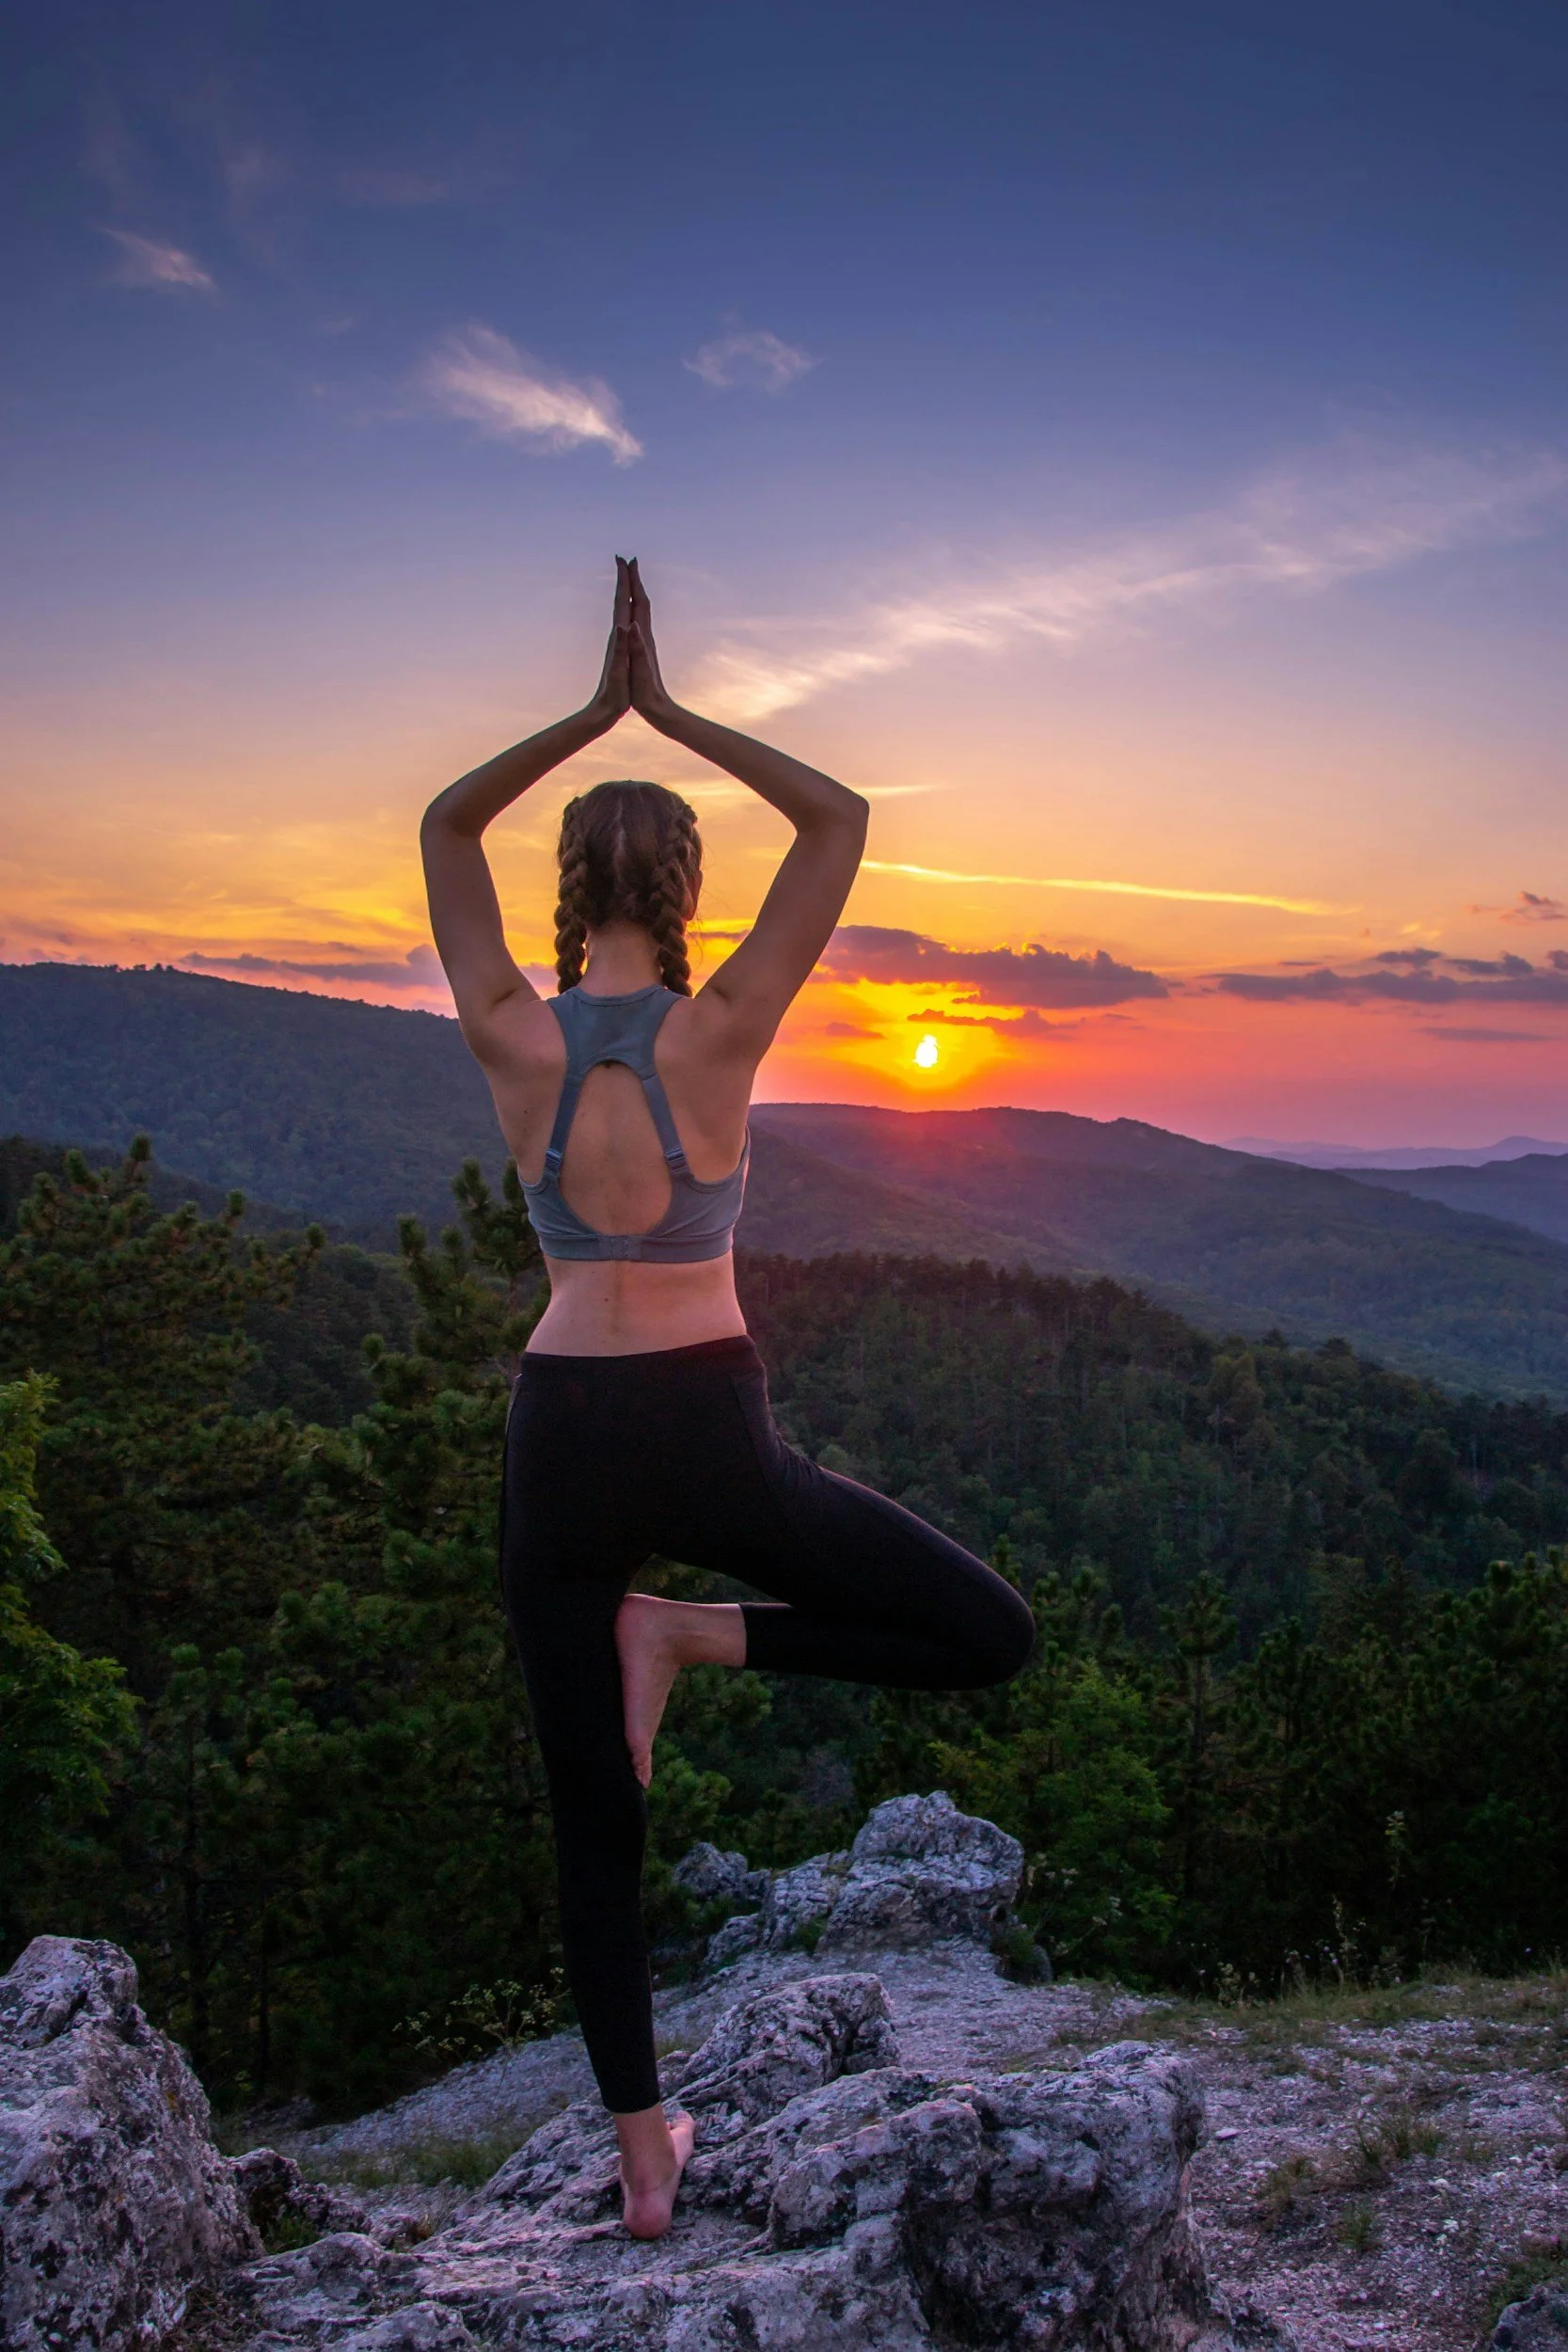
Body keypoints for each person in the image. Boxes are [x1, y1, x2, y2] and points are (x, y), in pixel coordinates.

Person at [420, 559, 1035, 2240]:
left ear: (566, 888)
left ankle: (640, 2160)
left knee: (590, 1817)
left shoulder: (507, 1035)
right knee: (988, 1636)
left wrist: (584, 715)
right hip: (708, 1425)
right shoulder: (724, 1031)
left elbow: (439, 828)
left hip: (559, 1434)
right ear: (687, 883)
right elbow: (833, 820)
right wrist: (669, 709)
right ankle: (694, 1633)